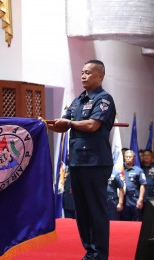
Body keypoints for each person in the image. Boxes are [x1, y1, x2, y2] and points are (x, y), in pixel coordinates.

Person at [45, 59, 116, 260]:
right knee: (82, 212)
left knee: (96, 210)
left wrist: (69, 122)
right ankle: (90, 251)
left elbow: (93, 125)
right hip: (76, 162)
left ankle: (100, 254)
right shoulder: (78, 101)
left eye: (88, 73)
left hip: (95, 163)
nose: (83, 76)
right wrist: (46, 125)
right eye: (82, 72)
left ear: (100, 76)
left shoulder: (104, 99)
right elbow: (64, 123)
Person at [120, 150, 146, 221]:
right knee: (124, 223)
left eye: (130, 157)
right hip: (124, 201)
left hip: (135, 201)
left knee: (136, 223)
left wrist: (140, 199)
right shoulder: (120, 170)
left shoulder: (138, 170)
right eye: (126, 157)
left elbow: (143, 185)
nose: (128, 158)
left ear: (134, 158)